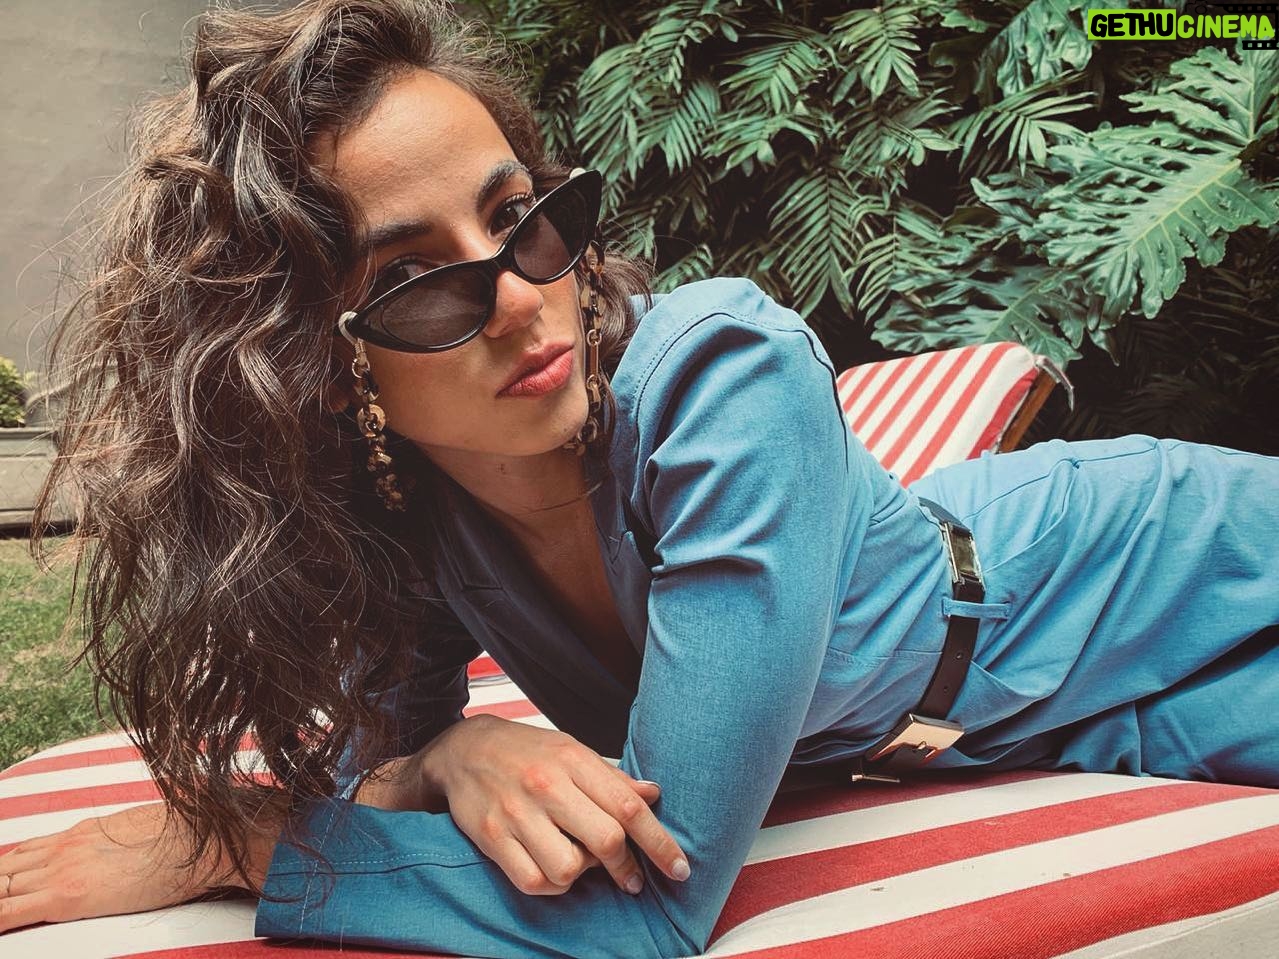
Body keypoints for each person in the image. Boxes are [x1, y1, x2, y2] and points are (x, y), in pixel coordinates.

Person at [3, 1, 1276, 956]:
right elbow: (375, 762)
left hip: (1157, 564)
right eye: (413, 279)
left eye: (522, 216)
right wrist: (455, 747)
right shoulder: (413, 506)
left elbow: (651, 912)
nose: (523, 297)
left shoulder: (722, 376)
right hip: (1052, 724)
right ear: (315, 366)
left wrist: (239, 841)